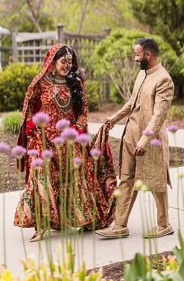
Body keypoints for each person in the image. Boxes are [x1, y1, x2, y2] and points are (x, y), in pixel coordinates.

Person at [12, 44, 117, 241]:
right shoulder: (40, 83)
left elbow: (83, 112)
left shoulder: (76, 82)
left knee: (74, 178)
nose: (67, 65)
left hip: (69, 141)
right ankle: (42, 224)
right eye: (63, 61)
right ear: (52, 61)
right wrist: (31, 128)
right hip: (44, 141)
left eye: (70, 62)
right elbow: (29, 109)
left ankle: (82, 219)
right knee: (42, 178)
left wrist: (76, 130)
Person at [96, 38, 175, 240]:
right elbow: (132, 102)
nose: (135, 57)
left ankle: (164, 224)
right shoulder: (141, 74)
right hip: (130, 135)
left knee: (156, 181)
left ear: (148, 54)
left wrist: (144, 140)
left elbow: (159, 116)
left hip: (150, 140)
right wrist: (114, 119)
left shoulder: (164, 79)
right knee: (127, 179)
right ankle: (120, 225)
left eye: (137, 54)